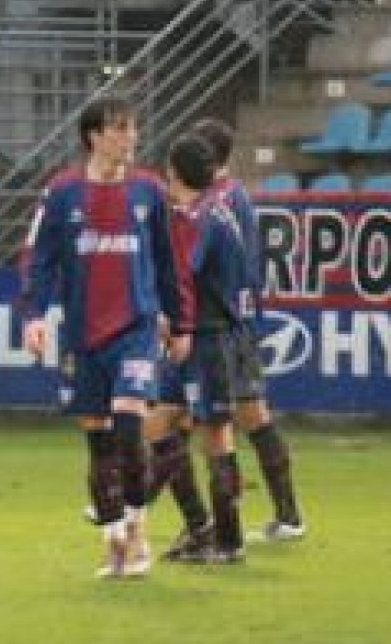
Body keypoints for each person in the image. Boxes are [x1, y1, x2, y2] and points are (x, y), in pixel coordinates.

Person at [21, 95, 193, 579]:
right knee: (97, 441)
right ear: (94, 136)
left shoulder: (150, 191)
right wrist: (34, 315)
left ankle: (138, 530)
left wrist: (179, 323)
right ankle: (113, 539)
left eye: (133, 128)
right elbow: (39, 258)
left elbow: (168, 261)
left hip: (136, 329)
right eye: (120, 129)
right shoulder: (62, 193)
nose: (130, 138)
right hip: (83, 334)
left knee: (130, 425)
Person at [191, 118, 305, 542]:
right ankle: (283, 516)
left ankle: (224, 527)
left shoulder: (220, 200)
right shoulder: (228, 195)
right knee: (244, 417)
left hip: (226, 324)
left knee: (229, 420)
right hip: (234, 320)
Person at [151, 134, 252, 563]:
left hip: (207, 336)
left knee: (216, 433)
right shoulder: (211, 210)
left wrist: (175, 322)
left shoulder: (203, 217)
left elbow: (183, 275)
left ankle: (229, 541)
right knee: (157, 424)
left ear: (173, 171)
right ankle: (200, 527)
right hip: (197, 334)